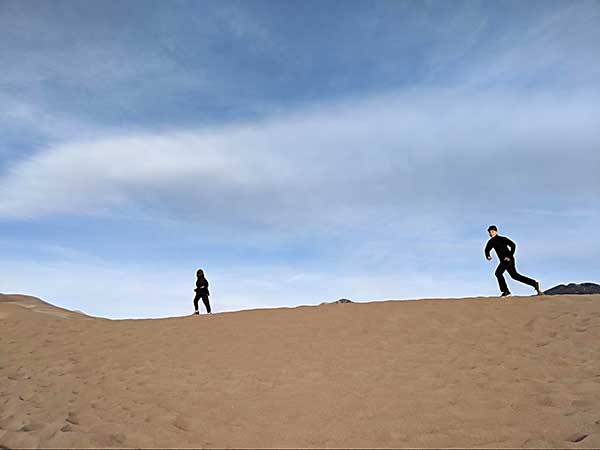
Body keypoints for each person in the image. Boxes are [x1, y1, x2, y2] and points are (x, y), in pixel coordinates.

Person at [484, 225, 543, 297]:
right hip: (504, 261)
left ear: (496, 231)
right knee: (515, 276)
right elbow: (486, 249)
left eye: (492, 232)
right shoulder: (491, 242)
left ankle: (506, 291)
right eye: (490, 232)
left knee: (498, 273)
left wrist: (509, 256)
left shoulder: (502, 239)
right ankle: (534, 283)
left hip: (508, 260)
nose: (491, 233)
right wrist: (488, 255)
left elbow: (513, 245)